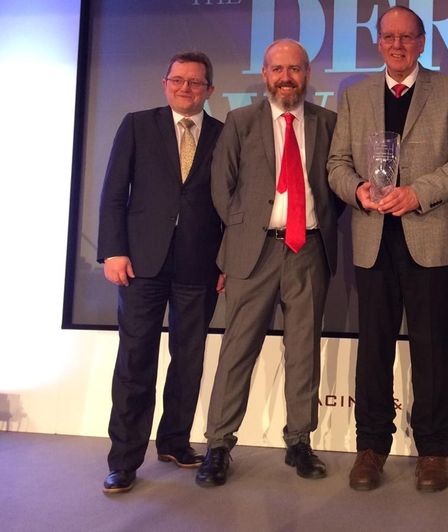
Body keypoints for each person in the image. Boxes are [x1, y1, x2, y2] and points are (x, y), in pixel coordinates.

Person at [327, 5, 448, 492]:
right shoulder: (354, 96)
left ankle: (434, 450)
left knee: (432, 349)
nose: (397, 45)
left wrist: (419, 192)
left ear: (421, 42)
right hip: (373, 241)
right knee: (373, 349)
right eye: (388, 37)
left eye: (407, 38)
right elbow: (336, 163)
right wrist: (357, 191)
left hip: (430, 238)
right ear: (378, 43)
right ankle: (371, 446)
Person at [195, 39, 340, 487]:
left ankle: (299, 441)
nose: (286, 77)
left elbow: (337, 185)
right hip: (252, 253)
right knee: (237, 351)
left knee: (303, 352)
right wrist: (243, 233)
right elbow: (222, 188)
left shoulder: (328, 122)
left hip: (308, 250)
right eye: (278, 68)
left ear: (306, 73)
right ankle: (218, 445)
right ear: (264, 73)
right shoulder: (240, 122)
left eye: (294, 69)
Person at [97, 51, 224, 494]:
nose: (186, 88)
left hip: (199, 264)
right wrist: (113, 250)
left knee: (188, 359)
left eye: (196, 82)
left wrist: (225, 261)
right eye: (178, 80)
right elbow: (114, 191)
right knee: (135, 361)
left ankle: (174, 442)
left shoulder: (224, 135)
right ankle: (125, 459)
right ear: (164, 83)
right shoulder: (137, 124)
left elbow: (232, 208)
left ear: (210, 90)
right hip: (141, 264)